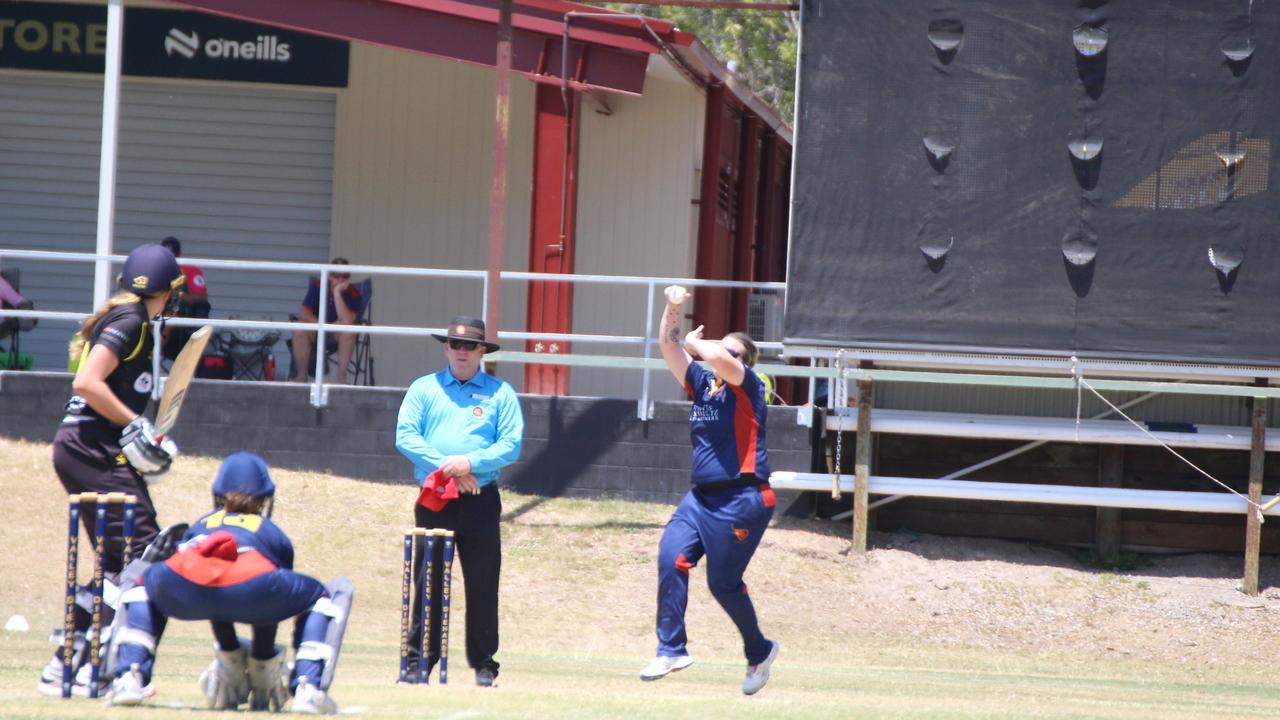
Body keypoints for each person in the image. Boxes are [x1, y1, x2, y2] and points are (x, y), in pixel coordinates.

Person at [37, 243, 184, 697]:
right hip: (89, 446)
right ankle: (91, 669)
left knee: (119, 560)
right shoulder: (133, 320)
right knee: (146, 551)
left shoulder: (124, 317)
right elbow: (86, 382)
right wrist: (135, 423)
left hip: (84, 446)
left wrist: (133, 433)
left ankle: (64, 668)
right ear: (168, 292)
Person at [107, 452, 349, 714]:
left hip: (184, 583)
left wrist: (229, 650)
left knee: (140, 580)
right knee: (322, 594)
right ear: (264, 498)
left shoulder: (201, 524)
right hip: (253, 584)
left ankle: (129, 676)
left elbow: (213, 585)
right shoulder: (270, 530)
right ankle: (308, 688)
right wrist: (262, 660)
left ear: (219, 493)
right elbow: (267, 606)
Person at [641, 285, 779, 695]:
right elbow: (668, 346)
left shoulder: (748, 386)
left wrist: (698, 342)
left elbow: (713, 355)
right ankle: (671, 649)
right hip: (701, 497)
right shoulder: (704, 384)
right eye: (725, 349)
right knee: (671, 557)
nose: (725, 355)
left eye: (734, 353)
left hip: (744, 497)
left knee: (722, 584)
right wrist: (673, 307)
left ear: (746, 364)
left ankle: (760, 650)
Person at [395, 315, 523, 688]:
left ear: (482, 351)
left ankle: (485, 664)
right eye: (455, 344)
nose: (462, 352)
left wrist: (472, 462)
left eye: (470, 346)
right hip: (436, 497)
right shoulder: (424, 388)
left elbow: (510, 445)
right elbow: (405, 437)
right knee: (429, 579)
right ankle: (419, 662)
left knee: (483, 582)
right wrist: (450, 466)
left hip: (481, 498)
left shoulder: (500, 393)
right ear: (446, 348)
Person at [290, 258, 367, 384]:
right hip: (317, 329)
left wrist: (337, 293)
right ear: (330, 276)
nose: (341, 279)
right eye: (336, 275)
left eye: (345, 276)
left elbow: (347, 320)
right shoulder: (318, 286)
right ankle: (301, 377)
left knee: (349, 330)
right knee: (298, 328)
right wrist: (326, 325)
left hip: (338, 334)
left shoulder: (353, 293)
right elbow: (304, 313)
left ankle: (342, 379)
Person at [159, 237, 211, 362]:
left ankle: (154, 358)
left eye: (173, 257)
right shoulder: (155, 269)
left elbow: (202, 298)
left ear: (179, 255)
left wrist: (178, 295)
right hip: (158, 309)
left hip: (183, 313)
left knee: (171, 319)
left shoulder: (191, 270)